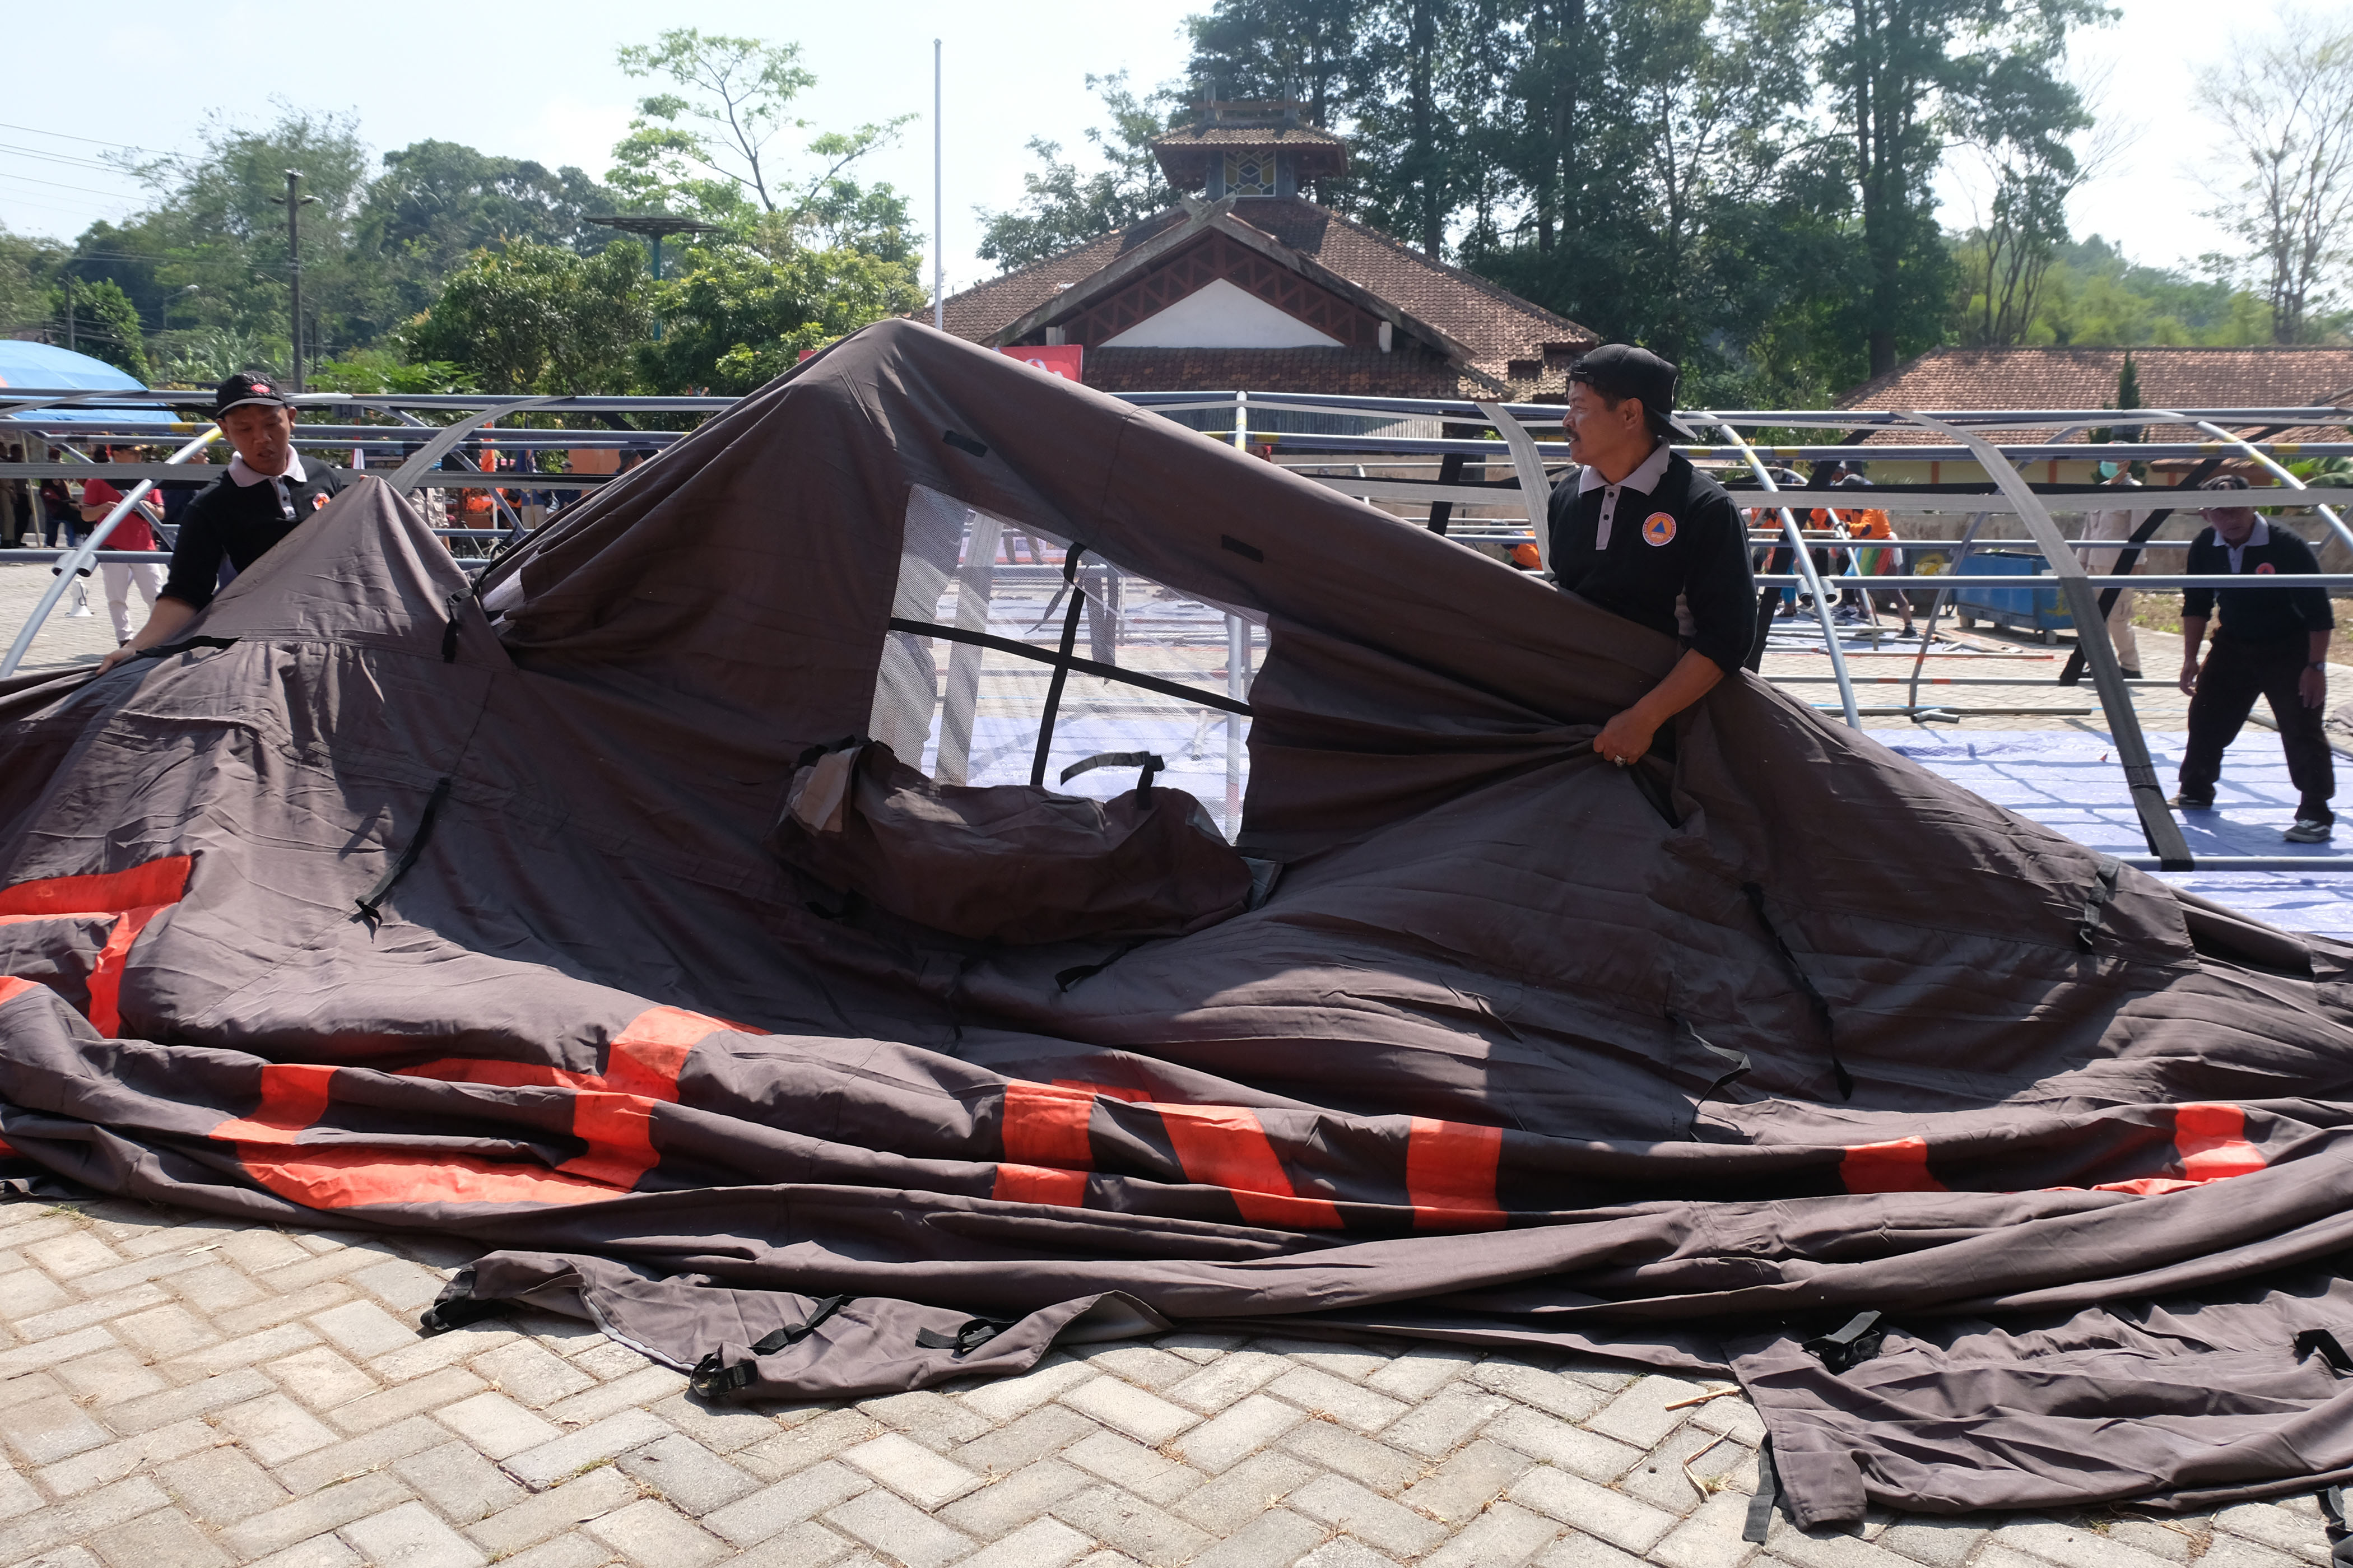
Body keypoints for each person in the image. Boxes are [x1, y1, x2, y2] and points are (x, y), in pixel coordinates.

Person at [1548, 343, 1756, 768]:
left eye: (1579, 408)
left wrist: (1644, 719)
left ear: (1629, 415)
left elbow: (1726, 638)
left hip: (1673, 737)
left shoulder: (1703, 507)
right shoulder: (1565, 498)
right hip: (1579, 723)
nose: (1566, 422)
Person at [96, 372, 343, 675]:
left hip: (331, 632)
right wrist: (136, 646)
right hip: (260, 644)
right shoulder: (211, 506)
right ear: (224, 431)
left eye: (271, 423)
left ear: (291, 418)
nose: (261, 438)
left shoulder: (323, 476)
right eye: (244, 428)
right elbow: (185, 592)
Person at [2174, 473, 2336, 842]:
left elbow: (2319, 612)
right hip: (2233, 641)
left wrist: (2316, 667)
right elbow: (2197, 603)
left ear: (2254, 505)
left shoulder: (2285, 545)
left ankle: (2316, 812)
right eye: (2220, 511)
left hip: (2288, 645)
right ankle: (2196, 789)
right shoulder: (2205, 545)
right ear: (2205, 513)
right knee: (2206, 715)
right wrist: (2189, 658)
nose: (2230, 517)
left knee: (2301, 724)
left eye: (2237, 508)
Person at [78, 445, 166, 645]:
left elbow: (161, 513)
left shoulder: (147, 478)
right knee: (117, 597)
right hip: (113, 549)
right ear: (116, 455)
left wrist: (150, 508)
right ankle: (124, 639)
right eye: (133, 452)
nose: (139, 456)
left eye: (139, 453)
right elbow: (86, 515)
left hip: (145, 548)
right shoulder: (98, 479)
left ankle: (161, 636)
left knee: (156, 595)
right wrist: (102, 509)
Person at [2077, 460, 2145, 678]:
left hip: (2119, 566)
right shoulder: (2102, 490)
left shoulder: (2135, 492)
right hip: (2095, 564)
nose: (2106, 463)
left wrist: (2136, 565)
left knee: (2118, 619)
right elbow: (2090, 529)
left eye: (2112, 459)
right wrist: (2081, 560)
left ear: (2126, 462)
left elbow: (2141, 531)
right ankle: (2097, 664)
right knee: (2095, 620)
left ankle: (2130, 667)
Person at [1833, 468, 1914, 636]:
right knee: (1858, 589)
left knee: (1892, 590)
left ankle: (1910, 628)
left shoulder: (1871, 506)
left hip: (1884, 547)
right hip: (1869, 546)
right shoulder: (1855, 508)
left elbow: (1866, 528)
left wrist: (1848, 527)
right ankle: (1874, 625)